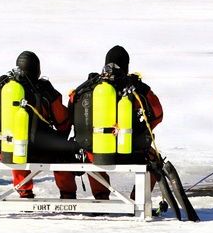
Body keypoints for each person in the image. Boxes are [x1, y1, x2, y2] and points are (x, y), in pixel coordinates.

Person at [0, 51, 81, 199]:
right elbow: (63, 122)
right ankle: (68, 195)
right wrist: (58, 139)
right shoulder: (44, 91)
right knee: (63, 152)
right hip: (40, 151)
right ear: (37, 70)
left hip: (3, 151)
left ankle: (24, 192)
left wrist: (2, 138)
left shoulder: (0, 90)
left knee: (15, 149)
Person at [69, 45, 163, 199]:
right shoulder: (137, 88)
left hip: (95, 152)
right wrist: (141, 130)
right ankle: (137, 200)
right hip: (132, 151)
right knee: (154, 160)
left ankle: (101, 198)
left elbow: (71, 113)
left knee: (90, 155)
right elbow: (157, 115)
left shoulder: (88, 87)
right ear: (126, 66)